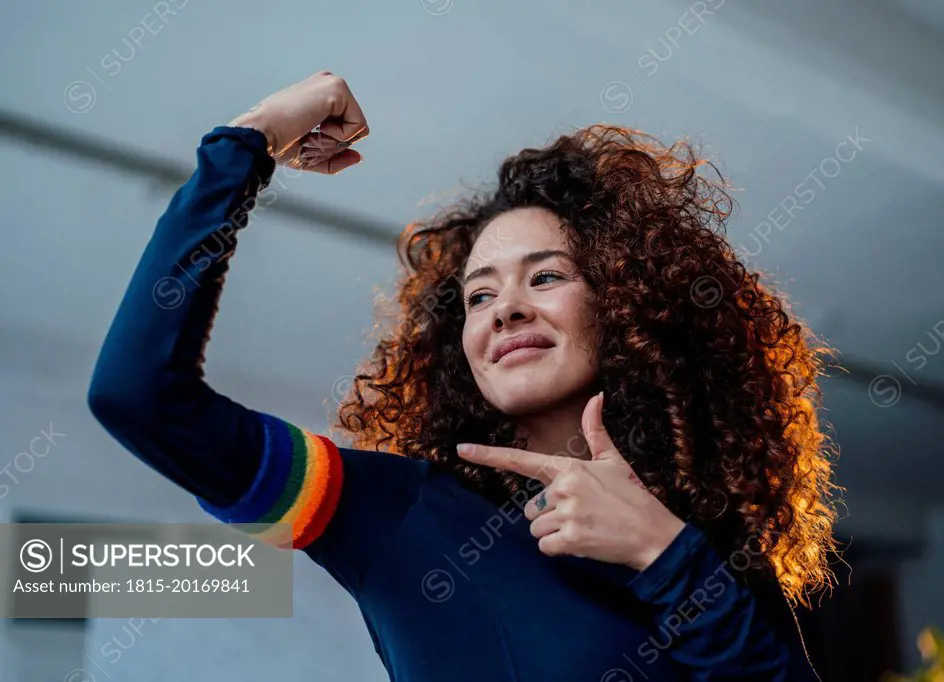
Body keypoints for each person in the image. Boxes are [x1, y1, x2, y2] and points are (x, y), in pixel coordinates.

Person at [88, 70, 837, 681]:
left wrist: (664, 555)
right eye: (479, 295)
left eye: (545, 278)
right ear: (461, 344)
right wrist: (247, 143)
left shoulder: (709, 550)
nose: (504, 309)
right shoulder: (391, 514)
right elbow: (138, 396)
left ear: (625, 303)